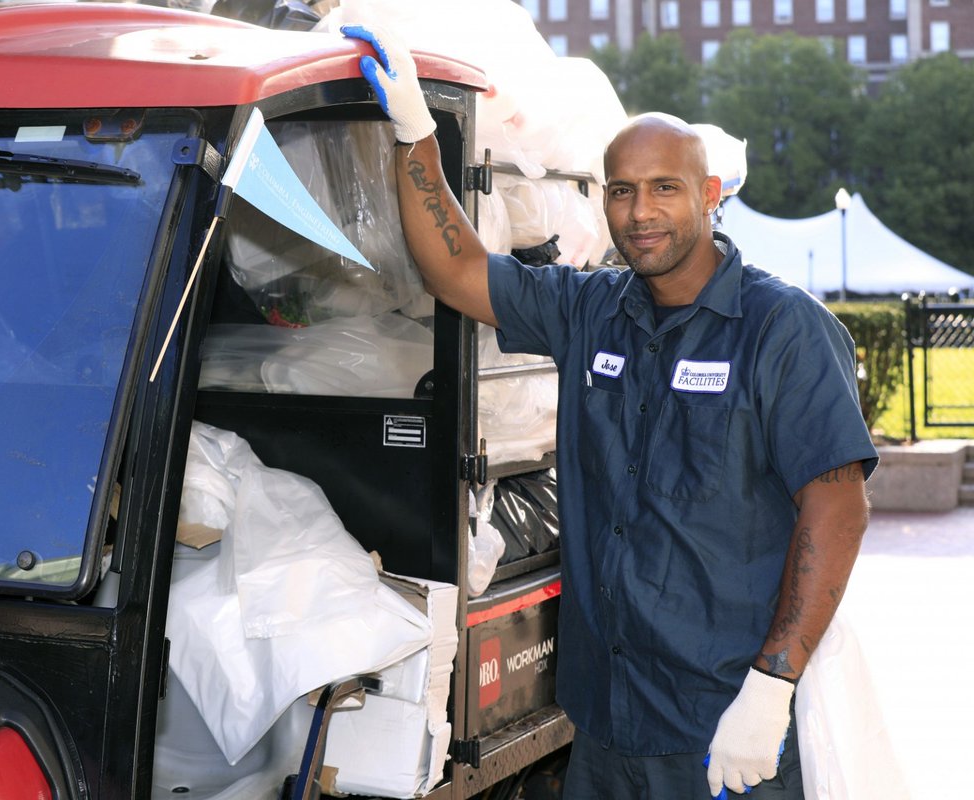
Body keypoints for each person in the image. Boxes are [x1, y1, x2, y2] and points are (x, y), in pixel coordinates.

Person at [341, 24, 878, 800]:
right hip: (603, 720)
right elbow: (456, 266)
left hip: (723, 725)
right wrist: (416, 132)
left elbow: (838, 509)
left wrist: (772, 685)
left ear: (710, 195)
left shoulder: (782, 329)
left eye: (665, 187)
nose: (640, 211)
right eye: (622, 190)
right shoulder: (589, 310)